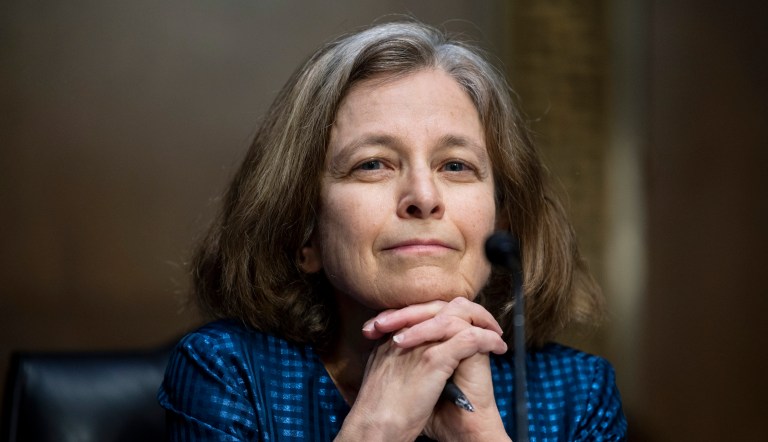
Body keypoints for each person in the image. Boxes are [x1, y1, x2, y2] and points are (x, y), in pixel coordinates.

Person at [158, 20, 627, 441]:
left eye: (456, 165)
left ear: (501, 219)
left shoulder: (577, 394)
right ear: (304, 232)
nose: (423, 196)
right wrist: (376, 430)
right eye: (373, 164)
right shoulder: (229, 372)